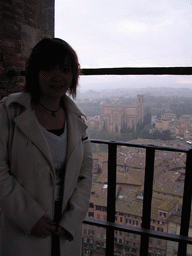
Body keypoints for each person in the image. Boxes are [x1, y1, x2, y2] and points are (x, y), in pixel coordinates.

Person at [0, 38, 93, 256]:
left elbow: (85, 174)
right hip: (22, 228)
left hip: (65, 227)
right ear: (35, 72)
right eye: (48, 69)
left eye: (65, 70)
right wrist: (28, 217)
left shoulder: (77, 120)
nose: (57, 77)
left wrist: (73, 217)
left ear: (73, 76)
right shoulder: (8, 112)